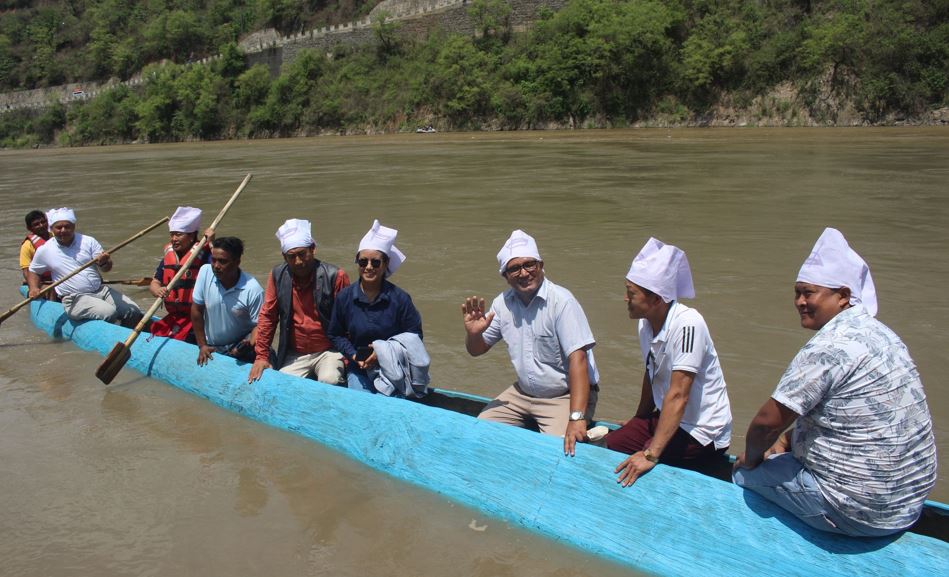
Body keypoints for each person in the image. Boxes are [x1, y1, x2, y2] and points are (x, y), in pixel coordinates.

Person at [733, 228, 937, 537]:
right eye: (797, 292)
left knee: (741, 476)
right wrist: (787, 442)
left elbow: (765, 424)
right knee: (782, 451)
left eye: (809, 293)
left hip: (862, 514)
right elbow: (848, 411)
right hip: (910, 503)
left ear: (842, 296)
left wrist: (751, 460)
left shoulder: (827, 347)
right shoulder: (883, 333)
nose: (800, 301)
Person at [606, 238, 732, 487]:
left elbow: (679, 394)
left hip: (701, 431)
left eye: (631, 293)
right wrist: (639, 419)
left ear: (656, 299)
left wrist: (651, 454)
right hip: (666, 415)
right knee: (611, 444)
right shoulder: (645, 323)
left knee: (640, 459)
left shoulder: (688, 324)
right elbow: (651, 371)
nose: (625, 298)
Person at [461, 230, 598, 456]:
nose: (524, 273)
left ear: (541, 265)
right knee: (479, 432)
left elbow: (579, 360)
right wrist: (474, 333)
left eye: (529, 265)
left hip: (563, 396)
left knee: (560, 454)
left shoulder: (561, 302)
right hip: (522, 394)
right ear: (505, 275)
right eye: (514, 268)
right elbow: (476, 350)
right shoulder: (502, 304)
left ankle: (592, 438)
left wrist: (577, 418)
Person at [327, 219, 424, 395]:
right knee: (361, 406)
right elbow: (335, 334)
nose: (369, 267)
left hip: (396, 369)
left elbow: (415, 336)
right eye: (363, 262)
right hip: (359, 368)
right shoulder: (345, 298)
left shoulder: (400, 299)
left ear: (385, 264)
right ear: (357, 263)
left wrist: (382, 353)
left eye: (376, 262)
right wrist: (353, 355)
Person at [248, 219, 350, 384]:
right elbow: (268, 316)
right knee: (278, 385)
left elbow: (348, 321)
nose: (298, 262)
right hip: (295, 353)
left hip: (328, 350)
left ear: (313, 249)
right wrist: (261, 356)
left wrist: (349, 357)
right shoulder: (277, 276)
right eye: (291, 256)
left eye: (302, 254)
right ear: (284, 257)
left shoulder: (335, 276)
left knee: (329, 379)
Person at [26, 207, 143, 326]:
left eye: (67, 226)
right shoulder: (45, 250)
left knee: (133, 311)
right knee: (109, 313)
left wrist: (104, 262)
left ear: (74, 226)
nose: (63, 230)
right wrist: (34, 288)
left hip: (100, 290)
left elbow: (106, 269)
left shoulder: (88, 241)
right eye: (59, 227)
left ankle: (128, 334)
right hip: (74, 298)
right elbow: (34, 271)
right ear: (51, 229)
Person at [191, 236, 264, 365]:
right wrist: (202, 345)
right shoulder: (205, 272)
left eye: (222, 261)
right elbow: (196, 310)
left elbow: (260, 325)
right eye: (213, 260)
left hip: (240, 344)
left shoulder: (253, 289)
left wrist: (251, 342)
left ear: (237, 262)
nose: (216, 266)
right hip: (212, 344)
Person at [148, 207, 210, 341]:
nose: (174, 239)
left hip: (199, 317)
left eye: (178, 234)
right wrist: (157, 290)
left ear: (192, 235)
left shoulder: (205, 255)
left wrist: (212, 243)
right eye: (172, 234)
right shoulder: (169, 257)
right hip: (176, 316)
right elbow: (154, 283)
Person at [19, 210, 52, 285]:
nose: (41, 225)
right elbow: (26, 271)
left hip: (60, 277)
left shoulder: (56, 237)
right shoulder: (27, 245)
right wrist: (34, 286)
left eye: (43, 222)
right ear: (29, 228)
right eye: (36, 224)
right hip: (41, 281)